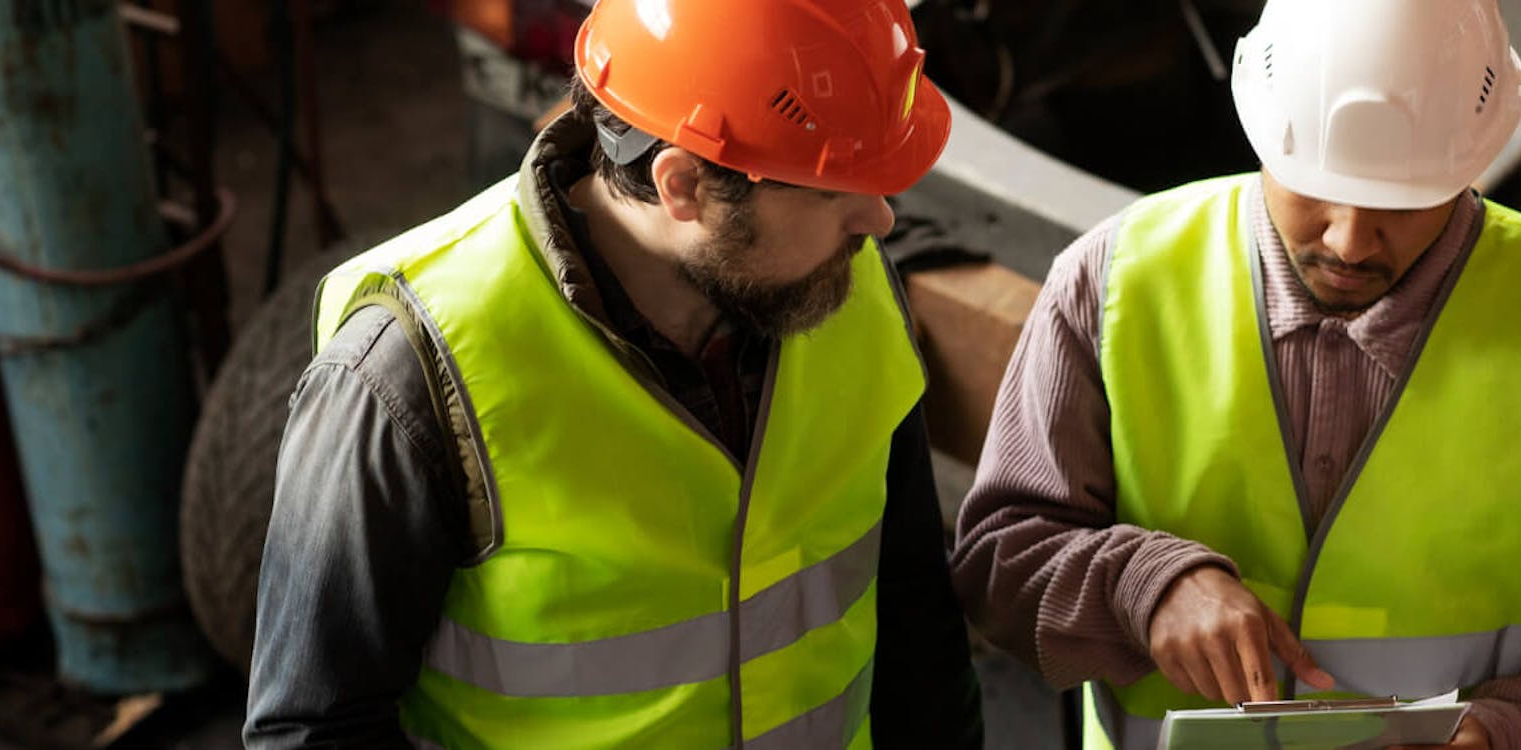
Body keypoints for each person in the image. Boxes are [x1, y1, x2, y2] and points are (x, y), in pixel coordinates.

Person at [951, 1, 1521, 748]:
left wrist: (1509, 729)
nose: (1350, 243)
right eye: (1315, 190)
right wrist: (1141, 588)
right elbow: (1000, 566)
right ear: (1261, 133)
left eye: (1404, 201)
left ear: (1469, 162)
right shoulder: (1114, 280)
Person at [243, 0, 983, 747]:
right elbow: (313, 730)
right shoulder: (414, 372)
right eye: (832, 191)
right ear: (683, 185)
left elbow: (917, 616)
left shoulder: (841, 291)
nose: (881, 221)